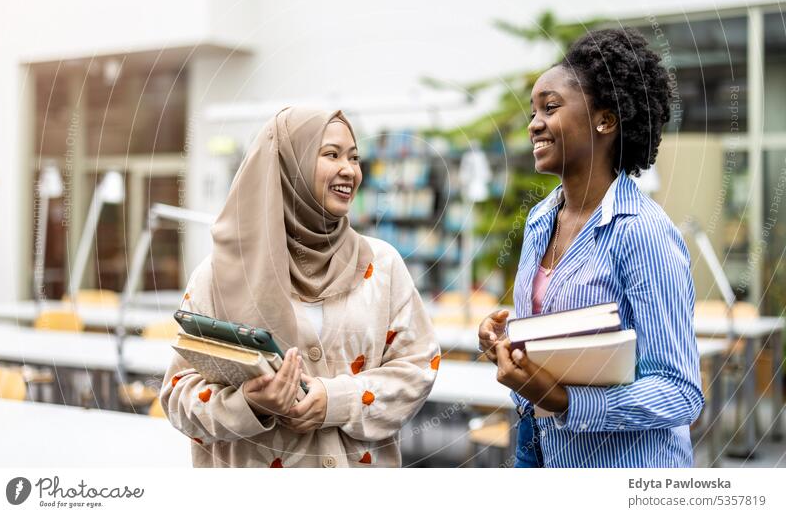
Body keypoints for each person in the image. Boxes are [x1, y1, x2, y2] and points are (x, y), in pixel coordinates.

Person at [161, 107, 440, 467]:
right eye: (331, 154)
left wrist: (335, 400)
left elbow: (417, 370)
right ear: (288, 167)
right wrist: (248, 403)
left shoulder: (382, 266)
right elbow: (178, 396)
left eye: (354, 157)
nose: (349, 169)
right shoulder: (219, 275)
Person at [478, 29, 704, 468]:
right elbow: (555, 346)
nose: (534, 123)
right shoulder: (542, 219)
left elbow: (680, 392)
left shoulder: (642, 232)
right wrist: (508, 344)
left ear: (605, 120)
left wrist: (566, 401)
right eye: (532, 111)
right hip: (539, 451)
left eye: (550, 107)